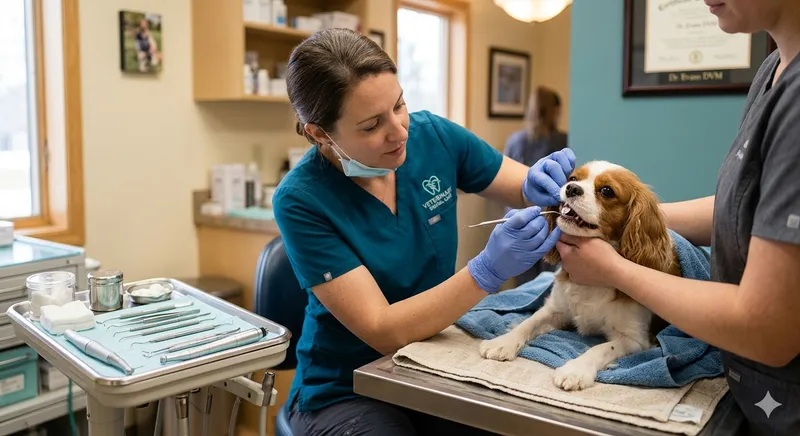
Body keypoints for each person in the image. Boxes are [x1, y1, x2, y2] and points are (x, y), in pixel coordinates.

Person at [272, 28, 572, 435]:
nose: (399, 131)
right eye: (371, 124)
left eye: (399, 106)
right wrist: (486, 270)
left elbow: (523, 184)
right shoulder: (301, 200)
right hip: (345, 389)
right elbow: (383, 330)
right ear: (320, 134)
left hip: (433, 361)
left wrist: (541, 183)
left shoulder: (434, 137)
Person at [554, 1, 800, 435]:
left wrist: (614, 268)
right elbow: (749, 207)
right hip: (748, 396)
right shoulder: (773, 69)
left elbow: (769, 329)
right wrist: (627, 218)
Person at [503, 86, 568, 285]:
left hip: (520, 219)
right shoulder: (563, 140)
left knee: (522, 285)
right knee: (548, 284)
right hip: (551, 221)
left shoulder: (514, 141)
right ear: (555, 110)